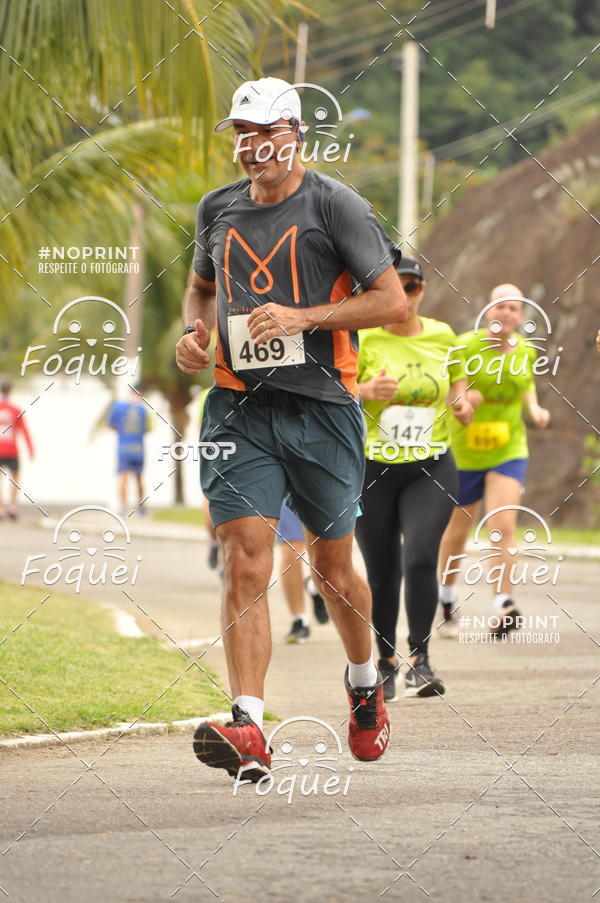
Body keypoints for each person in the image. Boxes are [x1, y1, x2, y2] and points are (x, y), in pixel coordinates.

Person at [175, 77, 407, 782]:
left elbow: (391, 301)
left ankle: (364, 685)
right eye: (242, 134)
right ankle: (248, 723)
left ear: (295, 133)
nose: (253, 147)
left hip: (323, 408)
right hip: (239, 407)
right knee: (245, 556)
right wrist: (193, 334)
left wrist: (304, 319)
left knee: (333, 569)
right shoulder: (217, 208)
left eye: (266, 133)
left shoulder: (336, 204)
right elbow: (201, 289)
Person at [355, 256, 472, 702]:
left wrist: (462, 404)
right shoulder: (364, 336)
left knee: (421, 555)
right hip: (374, 468)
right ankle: (386, 661)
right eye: (395, 285)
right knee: (382, 570)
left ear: (422, 290)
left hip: (431, 464)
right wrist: (367, 392)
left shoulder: (444, 336)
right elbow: (334, 390)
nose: (404, 294)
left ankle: (420, 660)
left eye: (412, 286)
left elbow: (458, 385)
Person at [438, 284, 551, 636]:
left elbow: (526, 384)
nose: (506, 312)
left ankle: (503, 604)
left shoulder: (526, 350)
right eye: (500, 306)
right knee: (458, 530)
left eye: (514, 308)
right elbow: (449, 394)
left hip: (508, 447)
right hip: (465, 449)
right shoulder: (464, 346)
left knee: (502, 525)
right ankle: (446, 598)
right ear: (488, 311)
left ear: (521, 316)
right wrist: (463, 403)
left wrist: (534, 408)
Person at [277, 502, 329, 643]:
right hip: (285, 491)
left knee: (327, 547)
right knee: (291, 546)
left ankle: (314, 587)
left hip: (324, 490)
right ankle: (300, 619)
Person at [107, 386, 151, 515]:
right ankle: (141, 507)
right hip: (138, 449)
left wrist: (121, 431)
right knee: (138, 478)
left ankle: (123, 506)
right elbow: (148, 429)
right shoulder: (143, 410)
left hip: (124, 448)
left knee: (123, 476)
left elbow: (110, 424)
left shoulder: (119, 406)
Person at [0, 381, 34, 520]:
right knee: (15, 477)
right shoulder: (15, 409)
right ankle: (13, 506)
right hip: (12, 450)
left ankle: (1, 508)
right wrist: (31, 449)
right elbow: (24, 431)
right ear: (10, 391)